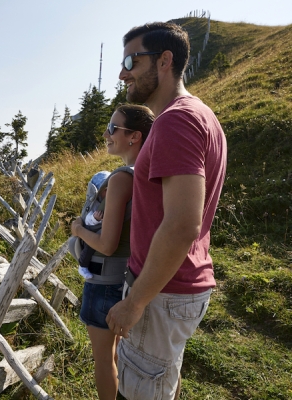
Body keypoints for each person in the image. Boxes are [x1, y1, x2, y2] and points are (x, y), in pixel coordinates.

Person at [105, 22, 227, 400]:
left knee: (139, 390)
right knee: (159, 383)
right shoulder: (200, 114)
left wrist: (135, 301)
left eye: (131, 60)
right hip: (175, 284)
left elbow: (182, 223)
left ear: (164, 61)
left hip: (162, 292)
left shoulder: (176, 120)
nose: (123, 72)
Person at [71, 104, 155, 400]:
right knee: (129, 356)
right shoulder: (150, 173)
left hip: (105, 283)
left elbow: (106, 245)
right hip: (132, 281)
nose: (106, 133)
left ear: (134, 136)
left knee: (104, 361)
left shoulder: (121, 179)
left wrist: (79, 230)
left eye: (113, 128)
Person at [76, 170, 110, 280]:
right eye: (105, 190)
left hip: (103, 228)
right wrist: (95, 218)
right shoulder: (95, 202)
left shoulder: (110, 200)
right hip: (91, 228)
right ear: (99, 191)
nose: (108, 192)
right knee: (90, 245)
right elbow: (87, 219)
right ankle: (83, 265)